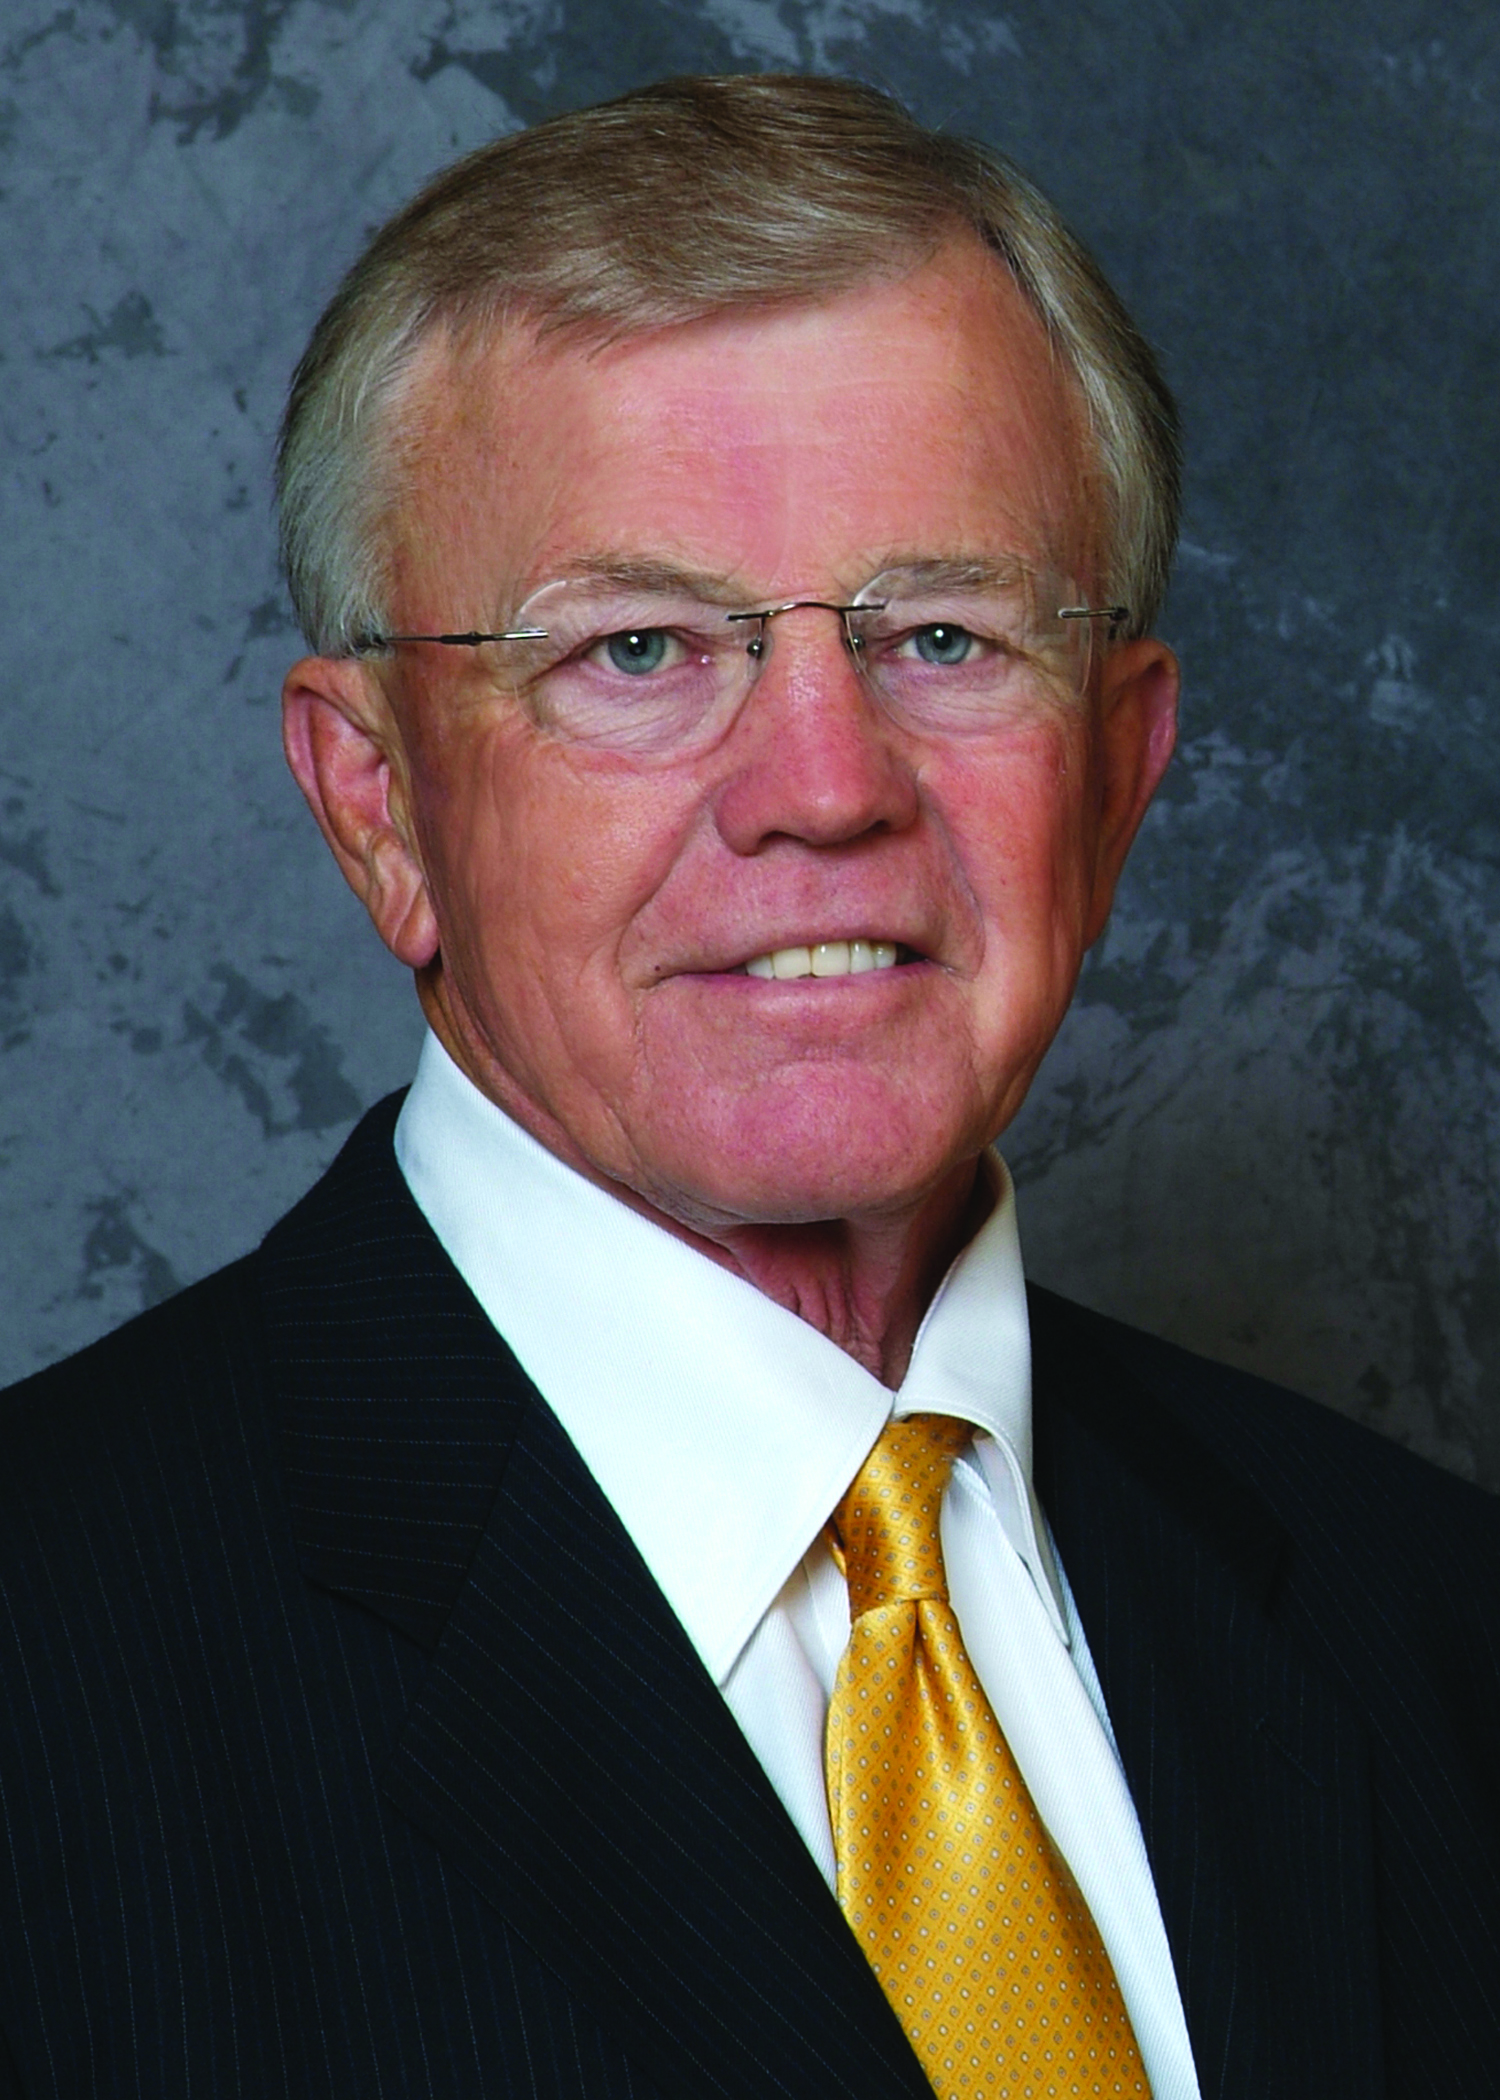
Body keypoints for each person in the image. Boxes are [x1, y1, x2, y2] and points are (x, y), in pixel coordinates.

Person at [0, 73, 1494, 2100]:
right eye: (636, 651)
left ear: (1122, 768)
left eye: (945, 635)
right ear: (380, 804)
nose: (823, 788)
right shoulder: (48, 1669)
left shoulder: (1430, 1628)